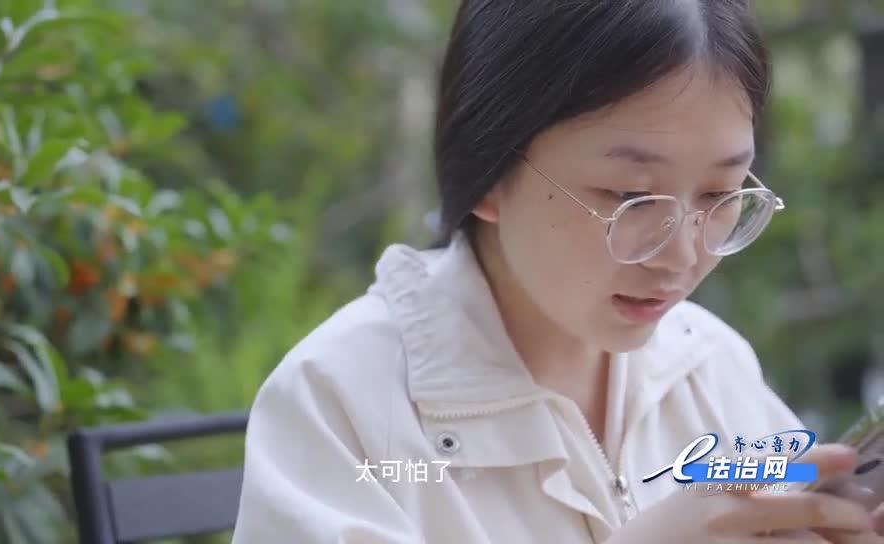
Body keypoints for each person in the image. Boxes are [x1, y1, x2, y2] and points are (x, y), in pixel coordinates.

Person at [231, 1, 884, 542]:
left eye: (720, 194)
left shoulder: (709, 365)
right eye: (631, 197)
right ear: (488, 172)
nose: (683, 257)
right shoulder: (339, 404)